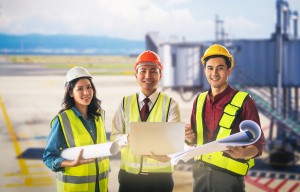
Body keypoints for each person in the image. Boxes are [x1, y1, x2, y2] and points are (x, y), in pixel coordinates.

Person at [185, 44, 265, 192]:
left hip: (228, 178)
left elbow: (258, 142)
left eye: (220, 68)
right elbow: (195, 139)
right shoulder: (199, 100)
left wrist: (244, 153)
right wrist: (189, 137)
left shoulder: (244, 101)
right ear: (205, 71)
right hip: (200, 175)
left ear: (229, 71)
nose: (214, 72)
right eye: (210, 68)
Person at [110, 50, 181, 192]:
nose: (148, 76)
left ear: (160, 75)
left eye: (153, 71)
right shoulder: (125, 103)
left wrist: (168, 156)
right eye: (143, 71)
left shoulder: (171, 105)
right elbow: (114, 137)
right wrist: (126, 138)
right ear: (136, 75)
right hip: (129, 178)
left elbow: (175, 145)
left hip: (160, 180)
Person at [43, 66, 110, 192]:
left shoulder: (99, 116)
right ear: (71, 93)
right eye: (80, 89)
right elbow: (48, 157)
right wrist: (71, 163)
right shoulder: (63, 120)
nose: (86, 92)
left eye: (89, 87)